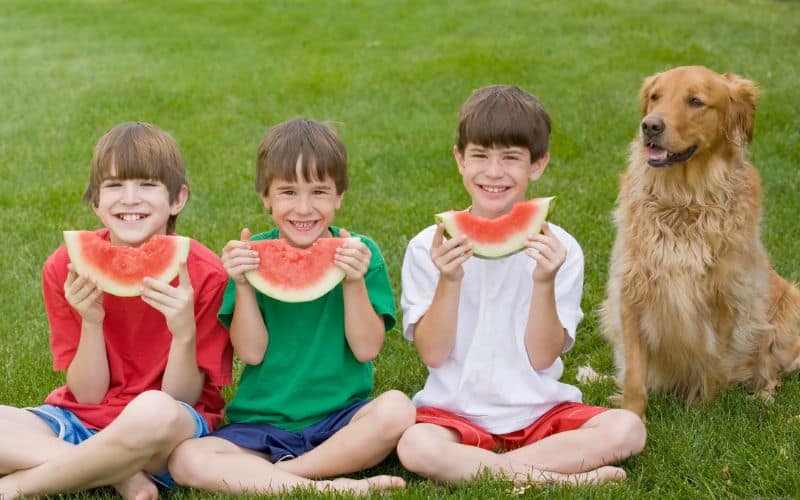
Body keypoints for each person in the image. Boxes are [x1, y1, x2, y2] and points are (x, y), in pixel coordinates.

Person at [396, 85, 647, 486]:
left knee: (627, 429)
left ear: (538, 164)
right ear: (460, 160)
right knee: (415, 444)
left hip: (539, 412)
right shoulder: (429, 246)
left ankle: (490, 473)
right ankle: (551, 476)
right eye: (480, 155)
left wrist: (544, 281)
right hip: (453, 413)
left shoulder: (560, 249)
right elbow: (433, 354)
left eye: (510, 158)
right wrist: (450, 279)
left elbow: (542, 357)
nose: (493, 172)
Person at [168, 118, 413, 495]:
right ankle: (329, 486)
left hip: (341, 419)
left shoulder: (362, 255)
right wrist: (244, 284)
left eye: (319, 192)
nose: (303, 208)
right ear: (266, 197)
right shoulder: (249, 259)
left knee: (398, 409)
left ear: (340, 196)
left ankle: (285, 477)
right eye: (287, 192)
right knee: (185, 459)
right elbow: (251, 352)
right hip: (260, 423)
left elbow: (367, 348)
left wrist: (353, 280)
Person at [0, 122, 233, 499]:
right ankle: (119, 474)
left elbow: (183, 399)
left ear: (178, 199)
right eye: (113, 186)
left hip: (166, 435)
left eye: (146, 184)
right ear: (96, 201)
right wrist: (91, 321)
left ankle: (18, 487)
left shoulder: (207, 276)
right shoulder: (65, 268)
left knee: (153, 407)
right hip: (82, 421)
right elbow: (88, 396)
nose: (129, 198)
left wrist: (183, 332)